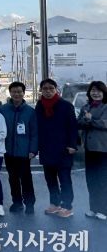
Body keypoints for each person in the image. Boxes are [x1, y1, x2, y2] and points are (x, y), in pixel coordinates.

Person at [36, 78, 78, 218]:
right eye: (45, 88)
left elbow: (73, 127)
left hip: (64, 149)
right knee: (50, 179)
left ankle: (67, 206)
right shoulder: (39, 106)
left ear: (56, 90)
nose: (48, 91)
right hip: (46, 148)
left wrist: (72, 145)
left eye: (51, 88)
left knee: (65, 179)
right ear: (41, 90)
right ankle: (55, 203)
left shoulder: (66, 106)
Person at [0, 82, 38, 214]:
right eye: (14, 92)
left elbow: (34, 133)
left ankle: (30, 204)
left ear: (23, 93)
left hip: (24, 152)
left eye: (19, 92)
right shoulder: (3, 110)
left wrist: (33, 150)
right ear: (10, 93)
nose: (16, 94)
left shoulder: (30, 111)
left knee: (26, 178)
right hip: (8, 151)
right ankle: (17, 202)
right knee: (13, 178)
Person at [78, 81, 107, 220]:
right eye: (93, 90)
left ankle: (103, 210)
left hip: (103, 148)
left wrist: (90, 120)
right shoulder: (86, 106)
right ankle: (94, 208)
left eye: (99, 91)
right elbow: (79, 122)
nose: (95, 93)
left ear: (104, 93)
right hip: (89, 148)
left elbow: (105, 123)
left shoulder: (105, 106)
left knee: (102, 180)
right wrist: (86, 120)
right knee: (91, 179)